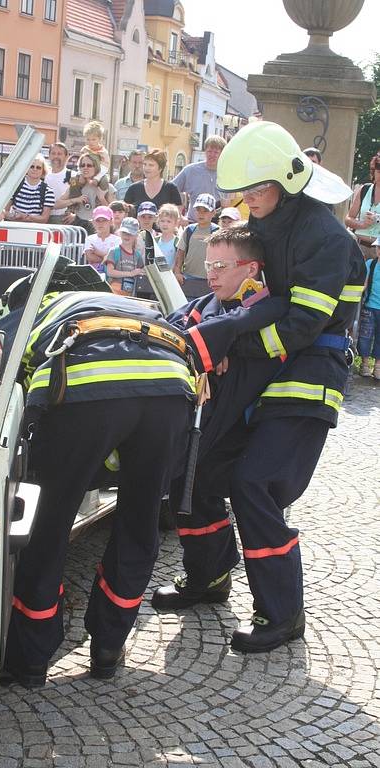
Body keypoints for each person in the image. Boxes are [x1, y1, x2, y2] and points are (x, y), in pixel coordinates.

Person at [153, 121, 365, 653]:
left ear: (290, 180)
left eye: (258, 189)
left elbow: (300, 327)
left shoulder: (326, 239)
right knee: (197, 470)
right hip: (259, 371)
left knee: (254, 484)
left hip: (309, 374)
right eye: (243, 191)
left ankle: (282, 612)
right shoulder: (263, 223)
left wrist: (230, 348)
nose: (249, 199)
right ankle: (209, 577)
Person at [0, 258, 195, 687]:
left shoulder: (30, 308)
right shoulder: (121, 302)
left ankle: (30, 660)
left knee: (48, 524)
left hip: (88, 386)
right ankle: (108, 647)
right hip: (172, 387)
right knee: (139, 524)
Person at [172, 135, 226, 223]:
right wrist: (179, 215)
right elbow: (171, 190)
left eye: (216, 152)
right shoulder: (190, 170)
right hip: (193, 223)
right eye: (209, 151)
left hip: (217, 224)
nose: (211, 155)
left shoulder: (227, 173)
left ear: (222, 153)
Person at [58, 152, 115, 234]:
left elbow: (115, 213)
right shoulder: (76, 186)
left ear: (96, 167)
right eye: (82, 165)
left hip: (99, 231)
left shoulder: (107, 187)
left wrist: (102, 199)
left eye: (89, 165)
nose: (85, 168)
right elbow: (57, 205)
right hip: (79, 229)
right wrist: (75, 200)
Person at [173, 193, 218, 297]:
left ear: (213, 212)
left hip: (210, 280)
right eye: (198, 210)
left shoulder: (217, 232)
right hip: (188, 277)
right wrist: (177, 272)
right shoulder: (189, 230)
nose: (201, 214)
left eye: (205, 211)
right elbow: (180, 252)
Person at [124, 149, 182, 213]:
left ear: (160, 168)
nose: (146, 168)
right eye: (145, 164)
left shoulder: (171, 188)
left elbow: (177, 215)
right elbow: (125, 212)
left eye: (151, 165)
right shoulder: (133, 188)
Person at [345, 154, 380, 258]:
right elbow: (348, 219)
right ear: (373, 172)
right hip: (358, 248)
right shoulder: (364, 189)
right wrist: (362, 224)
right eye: (379, 172)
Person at [4, 154, 55, 223]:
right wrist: (14, 216)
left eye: (38, 167)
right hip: (14, 227)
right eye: (32, 166)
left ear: (43, 171)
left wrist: (26, 217)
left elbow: (44, 219)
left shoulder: (48, 191)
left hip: (35, 230)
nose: (35, 169)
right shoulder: (15, 186)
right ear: (26, 168)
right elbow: (4, 211)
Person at [356, 235, 380, 379]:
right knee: (365, 336)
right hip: (369, 306)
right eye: (378, 248)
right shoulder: (371, 264)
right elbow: (363, 283)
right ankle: (364, 364)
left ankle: (378, 367)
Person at [106, 217, 145, 294]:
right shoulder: (114, 251)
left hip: (130, 293)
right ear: (119, 233)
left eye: (130, 234)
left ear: (136, 235)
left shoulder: (137, 255)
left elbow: (141, 271)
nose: (127, 236)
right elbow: (110, 272)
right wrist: (130, 274)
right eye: (124, 233)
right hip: (114, 292)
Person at [82, 206, 121, 274]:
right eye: (98, 220)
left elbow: (115, 260)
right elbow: (90, 257)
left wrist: (97, 252)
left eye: (104, 220)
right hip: (93, 274)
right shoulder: (89, 239)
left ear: (111, 221)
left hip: (112, 275)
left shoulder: (117, 240)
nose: (101, 223)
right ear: (93, 222)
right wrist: (105, 258)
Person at [45, 142, 75, 225]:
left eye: (59, 154)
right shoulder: (44, 175)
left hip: (64, 220)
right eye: (53, 153)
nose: (56, 156)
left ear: (66, 156)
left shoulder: (72, 175)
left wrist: (75, 215)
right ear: (49, 155)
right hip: (44, 219)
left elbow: (83, 197)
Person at [80, 120, 110, 191]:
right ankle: (76, 197)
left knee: (104, 182)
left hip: (99, 173)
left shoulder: (103, 152)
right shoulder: (85, 150)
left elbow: (105, 167)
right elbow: (79, 164)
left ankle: (101, 198)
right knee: (74, 181)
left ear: (99, 139)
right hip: (86, 172)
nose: (90, 142)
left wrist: (97, 178)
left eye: (93, 139)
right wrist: (81, 174)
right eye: (88, 139)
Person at [156, 203, 180, 268]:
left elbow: (179, 262)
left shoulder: (178, 242)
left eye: (169, 221)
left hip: (170, 276)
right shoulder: (155, 241)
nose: (165, 224)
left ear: (175, 223)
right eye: (162, 221)